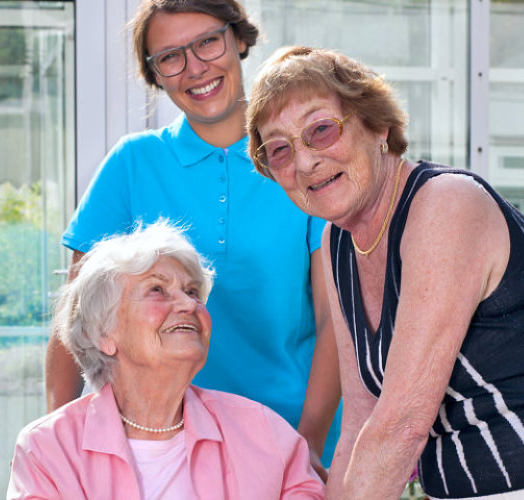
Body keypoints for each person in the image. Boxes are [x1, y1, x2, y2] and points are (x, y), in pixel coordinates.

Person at [245, 46, 524, 499]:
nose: (304, 163)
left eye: (320, 130)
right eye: (279, 150)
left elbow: (401, 425)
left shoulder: (445, 204)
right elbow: (363, 419)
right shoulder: (339, 242)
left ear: (378, 125)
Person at [51, 0, 341, 468]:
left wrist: (308, 439)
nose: (194, 68)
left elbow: (337, 319)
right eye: (170, 56)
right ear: (156, 74)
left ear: (239, 39)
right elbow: (76, 320)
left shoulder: (297, 158)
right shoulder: (131, 164)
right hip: (157, 443)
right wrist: (57, 443)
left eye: (207, 42)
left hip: (290, 436)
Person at [9, 222, 325, 499]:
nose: (188, 304)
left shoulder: (266, 434)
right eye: (157, 290)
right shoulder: (48, 449)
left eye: (192, 291)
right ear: (103, 332)